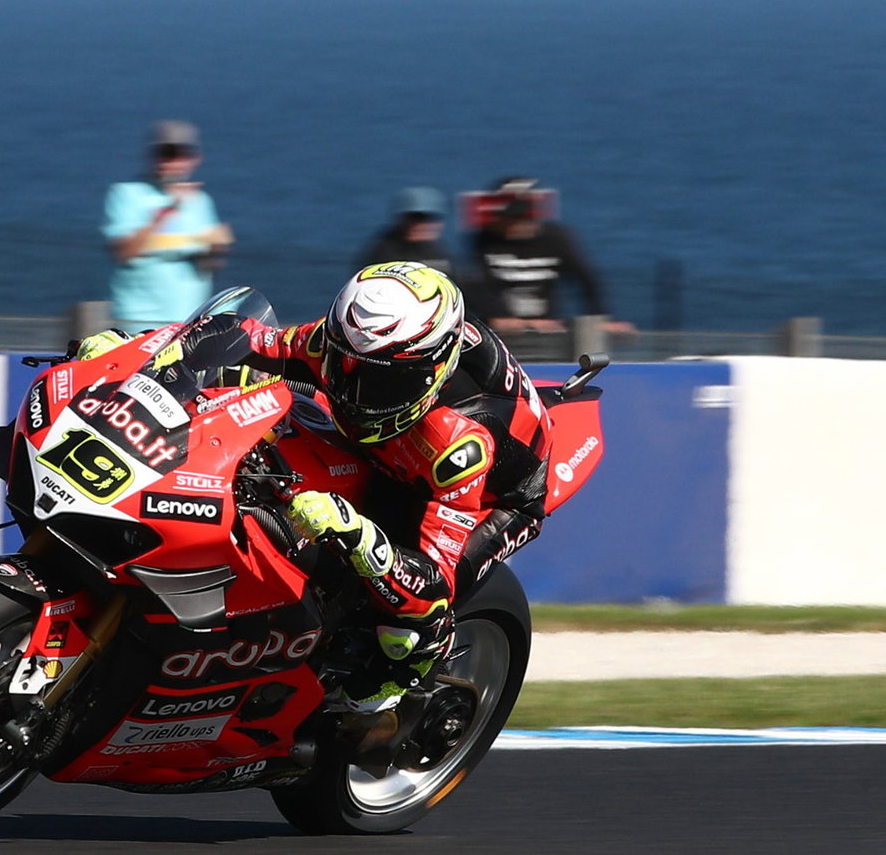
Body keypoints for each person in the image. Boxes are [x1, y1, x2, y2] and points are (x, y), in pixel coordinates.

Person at [81, 262, 552, 712]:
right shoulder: (344, 343)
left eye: (379, 384)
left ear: (431, 372)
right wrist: (136, 349)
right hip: (385, 446)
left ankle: (390, 685)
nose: (351, 391)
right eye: (344, 366)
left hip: (493, 495)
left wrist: (361, 538)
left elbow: (432, 579)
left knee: (410, 622)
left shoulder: (458, 446)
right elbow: (239, 337)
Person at [103, 120, 232, 335]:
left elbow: (209, 265)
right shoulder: (126, 195)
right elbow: (124, 252)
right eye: (166, 152)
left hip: (187, 324)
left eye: (182, 153)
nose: (173, 160)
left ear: (195, 159)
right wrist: (167, 212)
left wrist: (216, 249)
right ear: (153, 156)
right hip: (137, 324)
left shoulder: (200, 201)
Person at [469, 177, 634, 337]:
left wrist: (598, 319)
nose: (513, 225)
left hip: (547, 331)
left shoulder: (556, 238)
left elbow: (587, 280)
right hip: (501, 333)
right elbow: (477, 285)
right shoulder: (484, 240)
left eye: (519, 219)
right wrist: (499, 317)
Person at [353, 187, 456, 278]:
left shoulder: (437, 252)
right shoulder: (383, 254)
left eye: (430, 219)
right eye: (415, 217)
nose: (422, 225)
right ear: (401, 220)